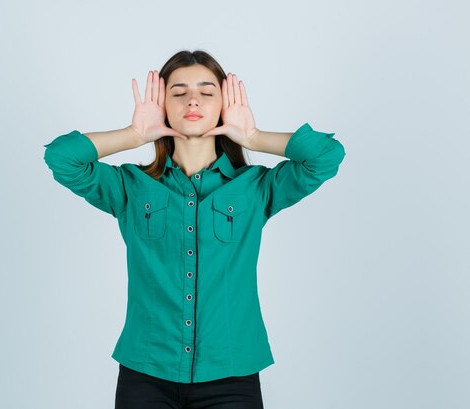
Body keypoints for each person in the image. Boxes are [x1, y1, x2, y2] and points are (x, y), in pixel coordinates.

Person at [43, 49, 346, 409]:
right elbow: (61, 158)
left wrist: (253, 135)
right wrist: (134, 133)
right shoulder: (130, 187)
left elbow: (326, 156)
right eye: (178, 91)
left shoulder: (255, 188)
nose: (192, 100)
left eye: (207, 91)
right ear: (162, 104)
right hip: (146, 373)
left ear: (224, 103)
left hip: (232, 375)